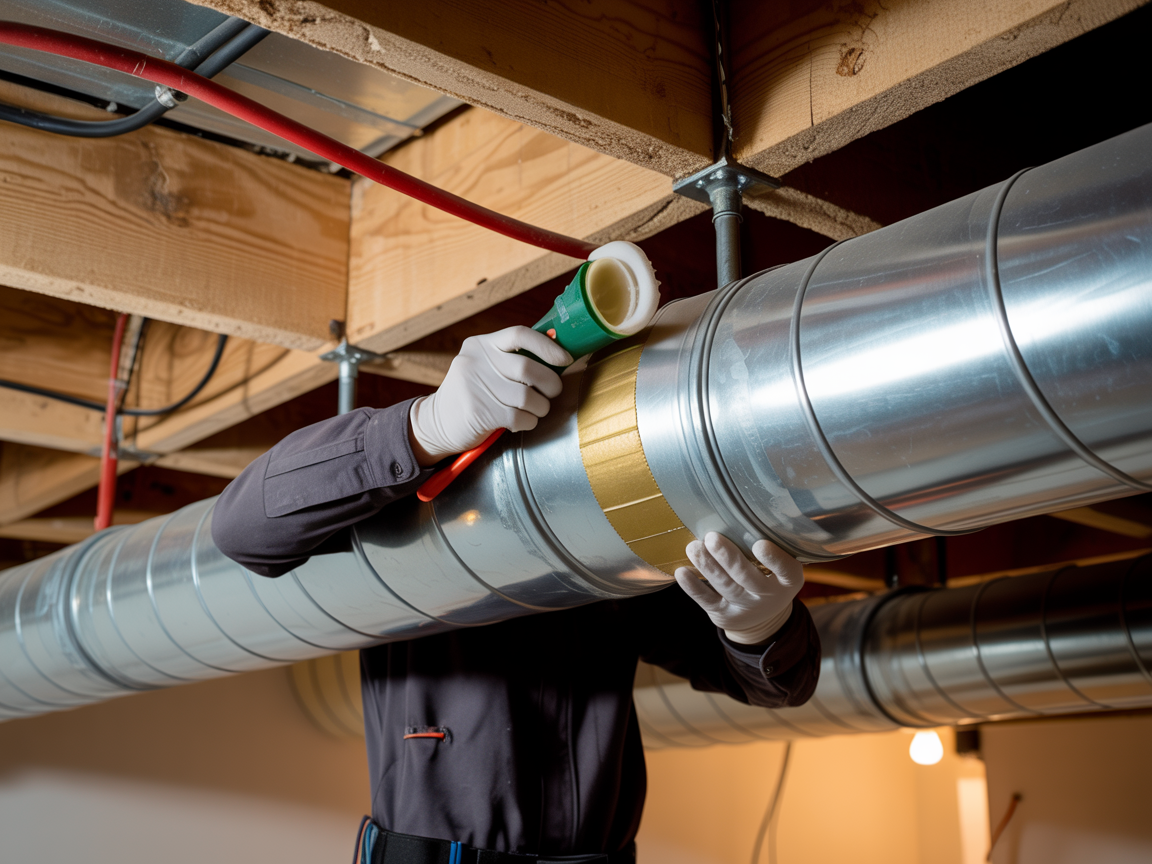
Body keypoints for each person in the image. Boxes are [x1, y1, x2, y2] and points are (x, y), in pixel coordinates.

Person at [213, 325, 820, 864]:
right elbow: (241, 528)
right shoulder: (411, 508)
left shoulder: (608, 543)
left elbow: (774, 682)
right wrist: (424, 426)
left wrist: (758, 628)